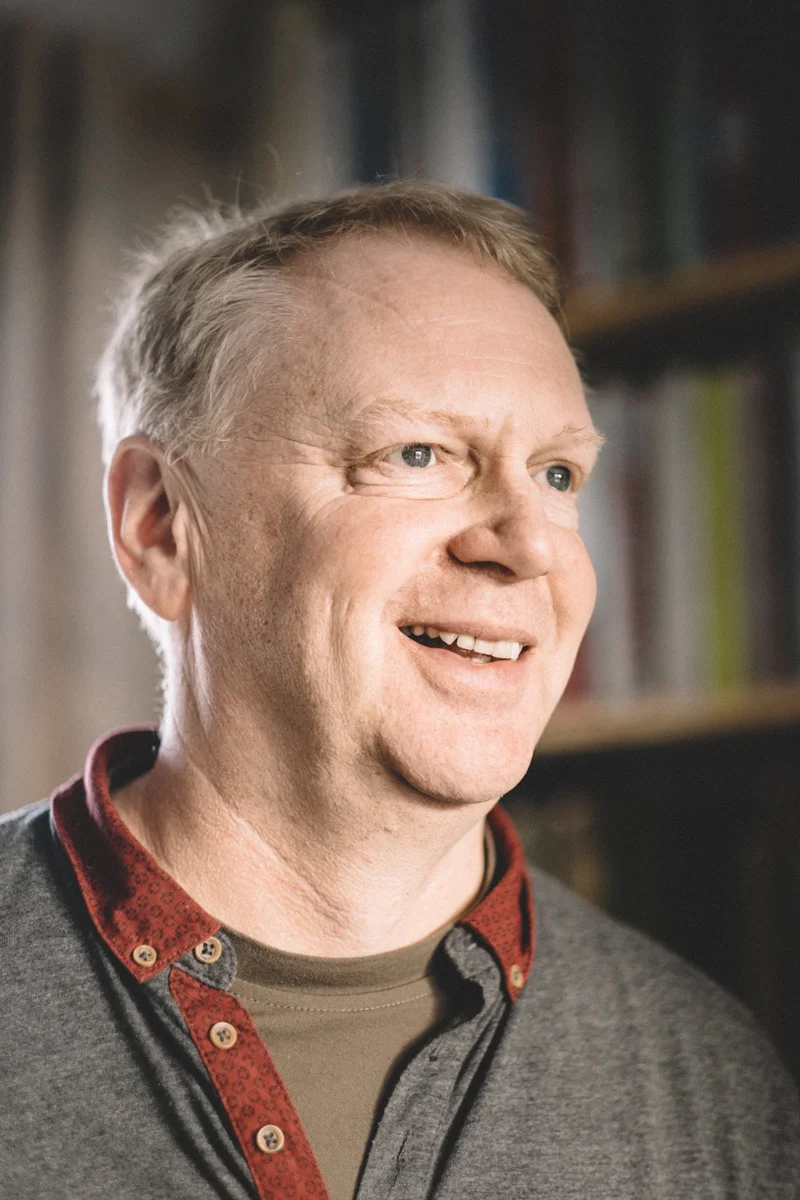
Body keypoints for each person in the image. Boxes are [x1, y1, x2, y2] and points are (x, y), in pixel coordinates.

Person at [1, 181, 798, 1200]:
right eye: (416, 454)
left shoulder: (714, 1082)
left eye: (557, 475)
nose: (526, 548)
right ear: (160, 523)